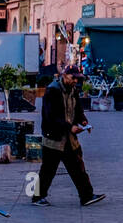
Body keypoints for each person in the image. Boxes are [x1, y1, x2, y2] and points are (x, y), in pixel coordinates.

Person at [31, 66, 104, 207]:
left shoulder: (73, 90)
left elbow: (77, 109)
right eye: (73, 78)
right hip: (54, 137)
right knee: (48, 170)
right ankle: (37, 197)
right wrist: (70, 127)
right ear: (64, 76)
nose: (75, 81)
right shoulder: (53, 90)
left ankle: (87, 196)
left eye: (77, 78)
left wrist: (83, 121)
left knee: (78, 167)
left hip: (69, 138)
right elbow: (51, 116)